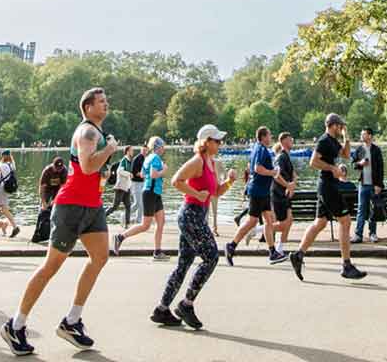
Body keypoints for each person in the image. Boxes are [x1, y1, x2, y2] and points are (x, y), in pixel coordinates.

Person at [0, 88, 119, 355]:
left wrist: (106, 165)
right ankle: (15, 325)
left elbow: (91, 171)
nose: (106, 104)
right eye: (102, 101)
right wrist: (110, 149)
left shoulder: (96, 133)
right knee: (51, 267)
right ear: (88, 108)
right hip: (71, 206)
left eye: (106, 100)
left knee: (100, 257)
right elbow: (88, 166)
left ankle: (72, 321)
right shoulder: (87, 132)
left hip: (92, 206)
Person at [150, 124, 238, 330]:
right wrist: (196, 194)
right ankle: (186, 304)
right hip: (190, 215)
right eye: (216, 140)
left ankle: (162, 309)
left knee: (184, 264)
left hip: (197, 215)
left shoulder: (211, 162)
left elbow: (216, 191)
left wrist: (230, 181)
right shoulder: (197, 161)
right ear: (206, 142)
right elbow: (175, 180)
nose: (220, 143)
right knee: (212, 257)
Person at [288, 113, 368, 282]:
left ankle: (298, 255)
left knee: (320, 222)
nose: (341, 128)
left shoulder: (333, 141)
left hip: (327, 186)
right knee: (345, 221)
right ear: (332, 125)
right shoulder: (324, 140)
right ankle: (346, 265)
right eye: (340, 126)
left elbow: (346, 155)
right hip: (327, 186)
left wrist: (347, 136)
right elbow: (313, 162)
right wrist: (332, 168)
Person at [225, 126, 287, 265]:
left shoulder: (259, 148)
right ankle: (231, 246)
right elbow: (257, 168)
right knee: (252, 221)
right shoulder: (261, 149)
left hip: (263, 191)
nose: (271, 138)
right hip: (258, 191)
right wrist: (273, 172)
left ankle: (272, 253)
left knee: (268, 221)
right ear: (263, 137)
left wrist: (272, 172)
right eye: (269, 135)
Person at [115, 137, 169, 258]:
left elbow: (143, 175)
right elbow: (153, 174)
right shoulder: (155, 158)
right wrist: (164, 171)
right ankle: (120, 237)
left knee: (161, 222)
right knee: (145, 225)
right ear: (158, 147)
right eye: (162, 146)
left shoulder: (148, 158)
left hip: (154, 192)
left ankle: (157, 251)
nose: (164, 149)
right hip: (151, 193)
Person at [351, 127, 384, 243]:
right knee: (361, 210)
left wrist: (379, 185)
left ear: (370, 136)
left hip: (374, 185)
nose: (361, 136)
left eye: (363, 134)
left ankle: (373, 234)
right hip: (363, 184)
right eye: (361, 134)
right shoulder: (359, 149)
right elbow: (353, 165)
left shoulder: (376, 150)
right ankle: (358, 235)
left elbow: (381, 169)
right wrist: (360, 163)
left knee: (372, 210)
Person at [270, 132, 297, 257]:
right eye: (290, 139)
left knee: (289, 221)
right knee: (283, 224)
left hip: (285, 193)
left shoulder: (287, 156)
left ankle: (280, 249)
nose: (292, 141)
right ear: (284, 141)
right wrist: (288, 185)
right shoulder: (281, 157)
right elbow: (276, 175)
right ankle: (256, 230)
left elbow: (292, 175)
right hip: (279, 194)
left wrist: (291, 186)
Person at [107, 149, 133, 228]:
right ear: (127, 152)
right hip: (120, 187)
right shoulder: (124, 160)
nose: (132, 152)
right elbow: (119, 171)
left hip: (126, 187)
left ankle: (127, 224)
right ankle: (100, 218)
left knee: (128, 206)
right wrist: (129, 174)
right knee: (114, 206)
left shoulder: (129, 161)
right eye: (131, 150)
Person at [129, 144, 147, 223]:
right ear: (141, 150)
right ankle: (124, 216)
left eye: (146, 150)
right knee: (137, 203)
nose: (145, 151)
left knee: (142, 203)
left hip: (142, 183)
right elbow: (134, 172)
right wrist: (144, 175)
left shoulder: (145, 159)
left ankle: (138, 220)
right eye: (143, 150)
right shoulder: (137, 159)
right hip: (135, 183)